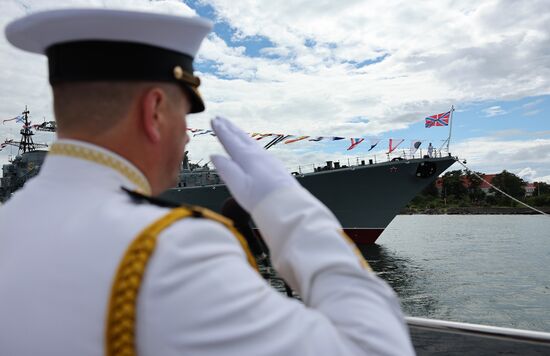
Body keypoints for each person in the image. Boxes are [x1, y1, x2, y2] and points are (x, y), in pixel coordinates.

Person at [0, 8, 414, 356]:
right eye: (185, 115)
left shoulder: (10, 225)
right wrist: (292, 209)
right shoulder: (175, 250)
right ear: (155, 109)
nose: (185, 135)